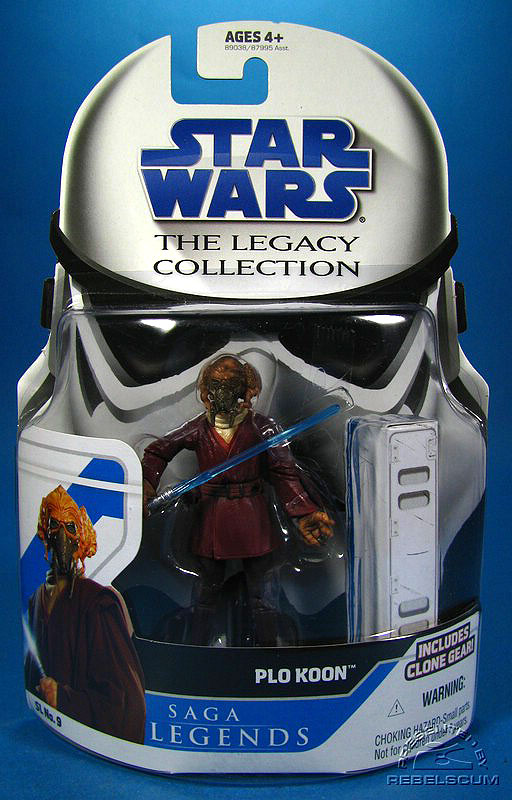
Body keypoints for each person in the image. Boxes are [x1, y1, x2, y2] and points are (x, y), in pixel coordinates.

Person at [142, 354, 334, 645]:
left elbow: (284, 472)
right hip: (212, 518)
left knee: (262, 595)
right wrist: (147, 482)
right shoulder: (199, 428)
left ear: (246, 389)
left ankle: (269, 652)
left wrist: (303, 512)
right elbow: (158, 450)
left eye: (231, 385)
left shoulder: (261, 427)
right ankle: (196, 650)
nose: (223, 392)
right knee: (207, 592)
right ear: (206, 391)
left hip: (252, 518)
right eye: (216, 385)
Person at [25, 486, 146, 743]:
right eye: (54, 525)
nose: (61, 536)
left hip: (92, 741)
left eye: (70, 527)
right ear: (45, 532)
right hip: (46, 733)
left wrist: (64, 699)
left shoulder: (97, 603)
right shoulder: (37, 600)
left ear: (81, 537)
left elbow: (126, 704)